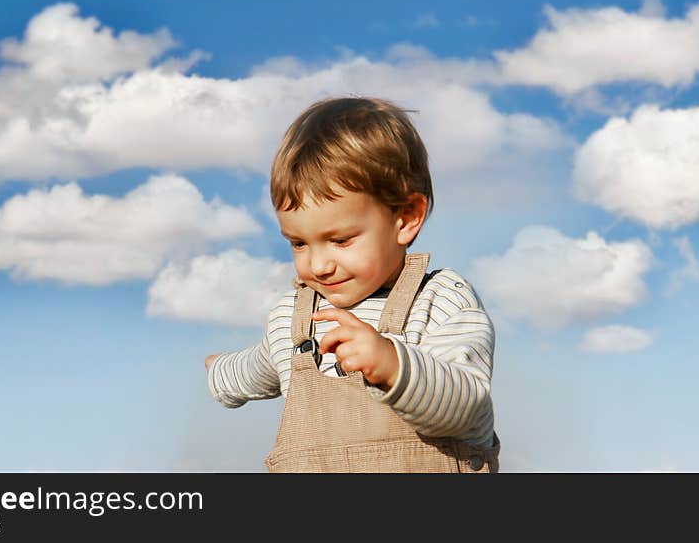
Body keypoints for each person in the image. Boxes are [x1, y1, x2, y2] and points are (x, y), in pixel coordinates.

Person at [205, 96, 499, 473]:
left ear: (406, 217)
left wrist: (393, 365)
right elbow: (259, 365)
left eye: (341, 240)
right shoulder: (292, 321)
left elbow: (467, 406)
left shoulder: (439, 300)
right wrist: (220, 372)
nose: (319, 264)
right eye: (299, 243)